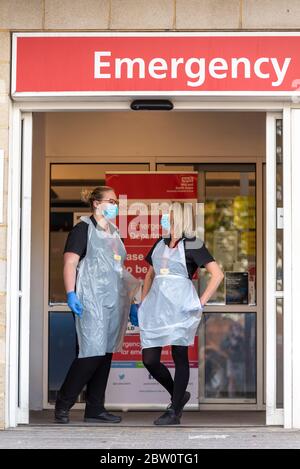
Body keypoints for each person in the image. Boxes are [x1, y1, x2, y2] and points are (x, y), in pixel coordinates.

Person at [55, 186, 139, 424]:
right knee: (90, 353)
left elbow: (119, 271)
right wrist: (71, 293)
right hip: (89, 300)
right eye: (110, 201)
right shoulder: (83, 229)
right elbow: (70, 263)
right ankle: (63, 402)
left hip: (112, 301)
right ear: (95, 203)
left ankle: (95, 408)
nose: (115, 206)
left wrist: (131, 300)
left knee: (105, 354)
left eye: (116, 202)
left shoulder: (114, 233)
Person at [137, 203, 224, 425]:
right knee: (150, 359)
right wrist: (143, 303)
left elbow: (217, 275)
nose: (164, 218)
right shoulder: (160, 242)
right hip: (156, 307)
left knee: (179, 355)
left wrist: (200, 302)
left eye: (168, 215)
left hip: (181, 307)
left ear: (179, 218)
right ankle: (179, 394)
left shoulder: (193, 242)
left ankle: (174, 412)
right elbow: (149, 275)